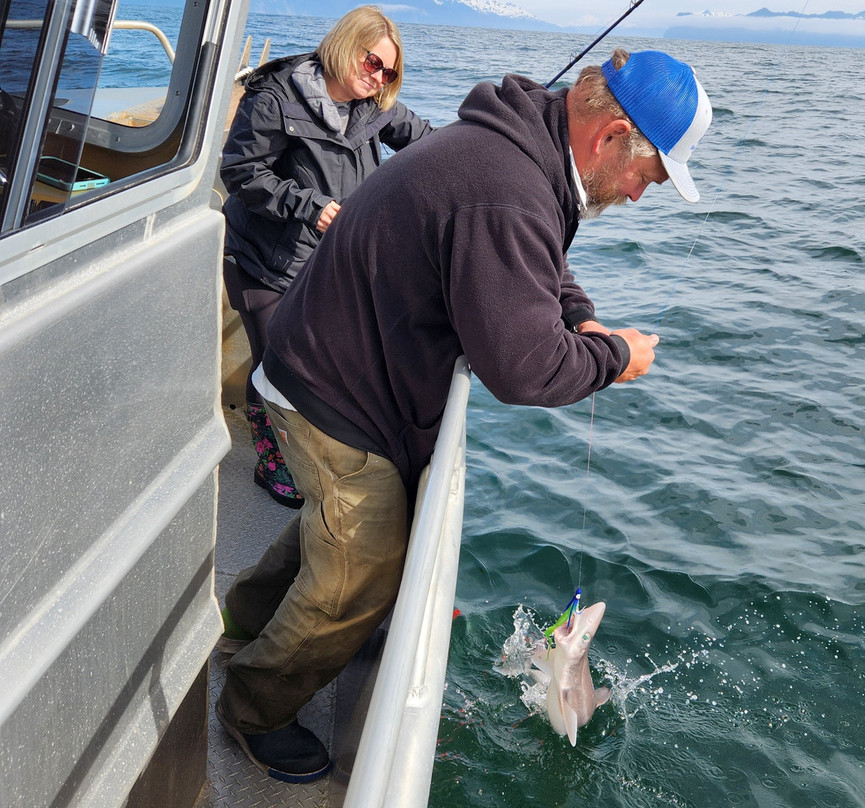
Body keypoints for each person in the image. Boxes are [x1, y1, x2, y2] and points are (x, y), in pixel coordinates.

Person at [215, 48, 712, 783]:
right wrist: (615, 360)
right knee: (367, 563)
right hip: (333, 386)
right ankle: (252, 709)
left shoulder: (523, 152)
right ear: (609, 138)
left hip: (329, 358)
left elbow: (537, 260)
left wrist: (580, 317)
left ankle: (247, 624)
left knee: (339, 529)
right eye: (650, 175)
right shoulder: (508, 189)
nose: (639, 195)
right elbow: (522, 368)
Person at [220, 5, 432, 509]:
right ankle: (270, 462)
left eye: (388, 71)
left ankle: (307, 454)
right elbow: (242, 173)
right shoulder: (275, 97)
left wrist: (476, 156)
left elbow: (427, 144)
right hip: (263, 266)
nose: (377, 77)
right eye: (371, 62)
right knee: (274, 367)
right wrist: (308, 205)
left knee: (318, 367)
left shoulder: (374, 105)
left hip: (325, 268)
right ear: (345, 45)